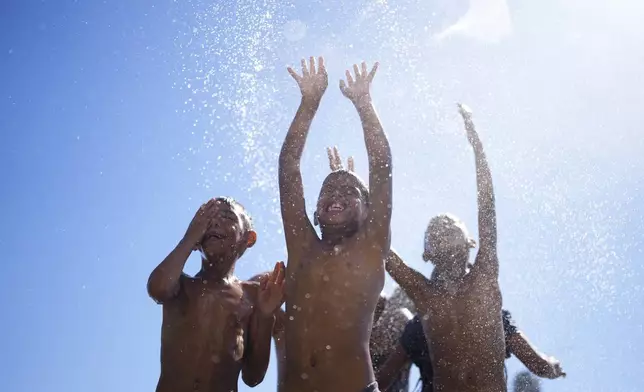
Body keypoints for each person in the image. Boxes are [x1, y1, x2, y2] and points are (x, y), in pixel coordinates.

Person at [279, 56, 393, 392]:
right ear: (314, 211)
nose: (336, 193)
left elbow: (382, 165)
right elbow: (288, 167)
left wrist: (363, 104)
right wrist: (308, 103)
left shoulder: (370, 249)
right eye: (327, 188)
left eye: (349, 190)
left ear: (368, 211)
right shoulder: (302, 246)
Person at [385, 104, 505, 392]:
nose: (444, 226)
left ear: (470, 241)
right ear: (427, 253)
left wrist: (478, 147)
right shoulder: (424, 295)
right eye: (435, 231)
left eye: (452, 225)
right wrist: (361, 208)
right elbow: (381, 251)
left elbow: (487, 205)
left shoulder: (485, 274)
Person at [147, 198, 285, 392]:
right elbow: (157, 289)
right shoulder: (180, 286)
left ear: (248, 238)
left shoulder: (252, 296)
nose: (215, 223)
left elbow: (253, 377)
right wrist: (189, 238)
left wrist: (265, 315)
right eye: (207, 220)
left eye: (227, 217)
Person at [376, 309, 566, 392]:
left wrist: (550, 367)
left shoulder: (419, 323)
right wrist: (552, 367)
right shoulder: (489, 315)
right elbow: (540, 366)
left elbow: (382, 379)